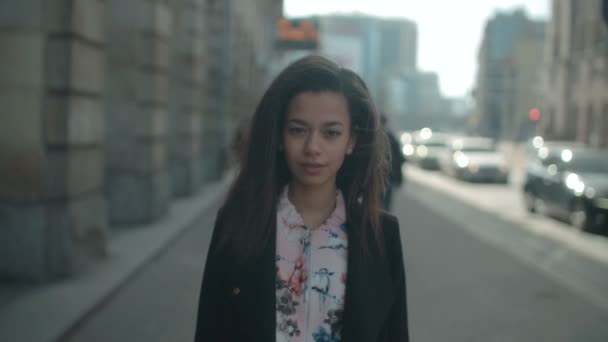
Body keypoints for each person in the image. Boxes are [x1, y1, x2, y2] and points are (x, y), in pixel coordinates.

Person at [194, 55, 409, 342]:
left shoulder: (382, 235)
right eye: (298, 130)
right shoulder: (238, 223)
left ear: (351, 141)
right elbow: (211, 330)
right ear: (280, 136)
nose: (313, 147)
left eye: (331, 133)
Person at [380, 114, 406, 211]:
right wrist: (399, 177)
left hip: (378, 176)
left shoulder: (373, 137)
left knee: (377, 200)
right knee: (386, 202)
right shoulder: (391, 137)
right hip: (389, 175)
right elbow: (399, 159)